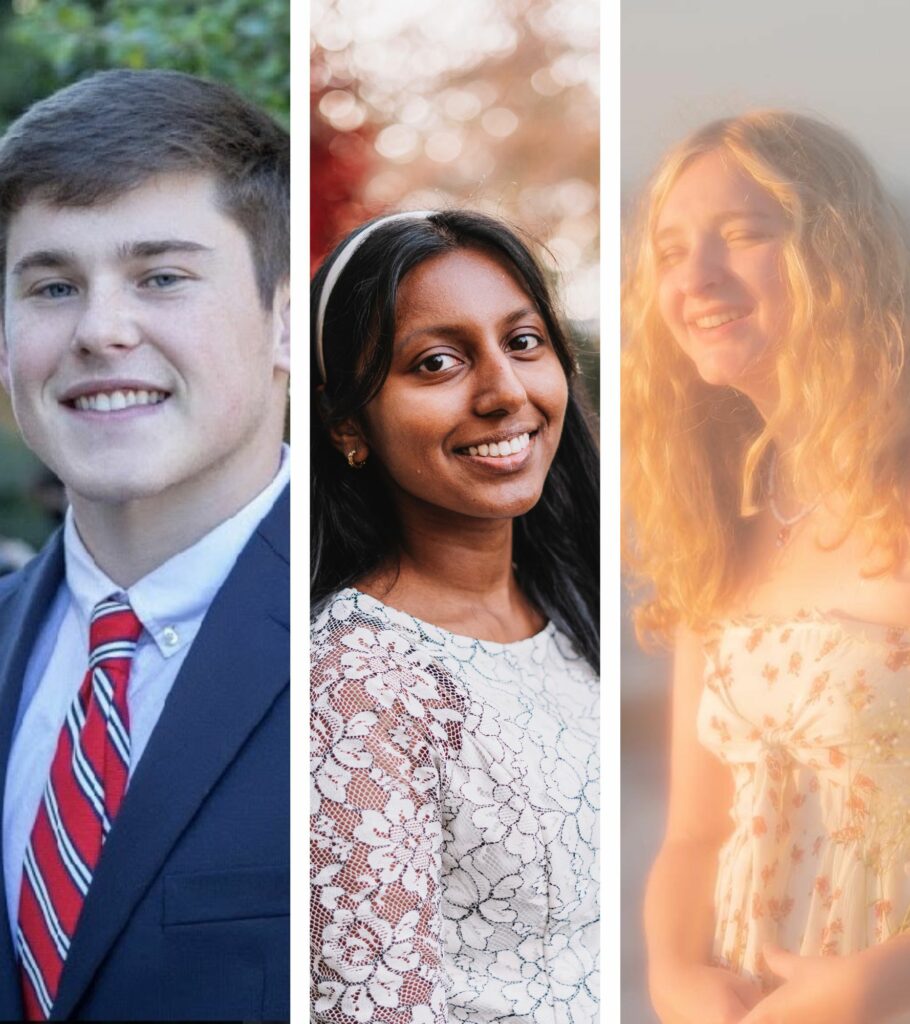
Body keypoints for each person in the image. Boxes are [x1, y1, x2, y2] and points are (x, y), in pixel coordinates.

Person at [0, 69, 289, 1020]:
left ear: (284, 317)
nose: (99, 331)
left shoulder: (401, 631)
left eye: (161, 276)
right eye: (52, 286)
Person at [622, 111, 910, 1024]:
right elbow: (694, 834)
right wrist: (676, 979)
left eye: (744, 235)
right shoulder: (722, 517)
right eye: (671, 252)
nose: (695, 280)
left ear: (844, 255)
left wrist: (887, 983)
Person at [310, 210, 600, 1023]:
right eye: (436, 362)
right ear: (346, 426)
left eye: (523, 342)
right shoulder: (358, 686)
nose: (504, 392)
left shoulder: (571, 603)